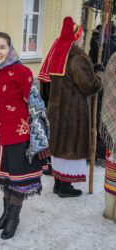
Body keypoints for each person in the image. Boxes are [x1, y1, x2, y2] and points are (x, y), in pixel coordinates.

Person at [0, 32, 50, 240]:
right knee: (5, 178)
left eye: (2, 47)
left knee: (18, 180)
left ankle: (14, 219)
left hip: (20, 138)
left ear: (10, 49)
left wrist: (39, 141)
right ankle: (5, 214)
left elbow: (36, 107)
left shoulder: (23, 72)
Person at [38, 17, 102, 198]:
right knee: (70, 148)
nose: (82, 40)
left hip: (57, 110)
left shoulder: (59, 53)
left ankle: (59, 184)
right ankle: (66, 187)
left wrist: (92, 68)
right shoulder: (77, 57)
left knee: (59, 148)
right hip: (73, 112)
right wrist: (99, 75)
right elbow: (90, 86)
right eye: (81, 37)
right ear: (76, 38)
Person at [100, 52, 116, 223]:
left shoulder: (113, 58)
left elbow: (107, 85)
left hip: (113, 126)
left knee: (112, 169)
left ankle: (110, 211)